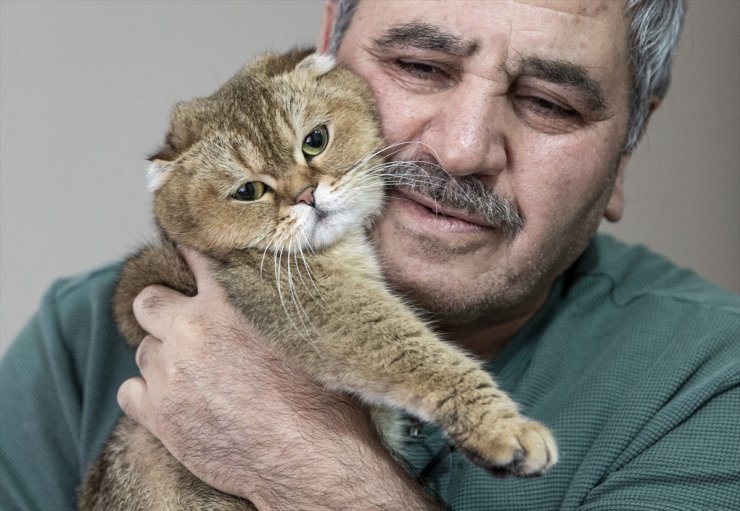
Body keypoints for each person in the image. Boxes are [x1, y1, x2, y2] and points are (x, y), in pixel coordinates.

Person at [1, 0, 738, 509]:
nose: (461, 149)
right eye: (420, 65)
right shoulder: (81, 336)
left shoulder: (708, 392)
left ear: (627, 150)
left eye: (549, 103)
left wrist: (312, 463)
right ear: (326, 56)